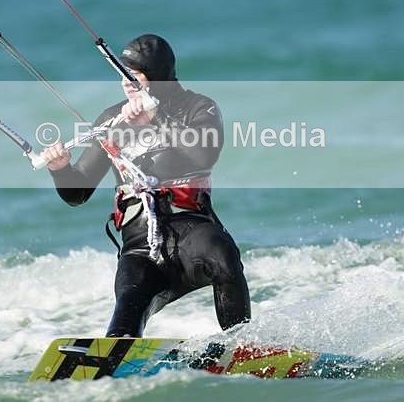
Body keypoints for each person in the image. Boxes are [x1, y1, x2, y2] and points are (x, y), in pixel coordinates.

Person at [40, 34, 251, 337]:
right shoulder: (112, 119)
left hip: (191, 228)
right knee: (129, 302)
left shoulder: (198, 108)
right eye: (121, 74)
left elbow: (205, 152)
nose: (125, 83)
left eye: (133, 75)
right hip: (140, 245)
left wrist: (156, 117)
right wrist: (60, 170)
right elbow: (78, 193)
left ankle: (242, 344)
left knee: (223, 255)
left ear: (158, 77)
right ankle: (115, 358)